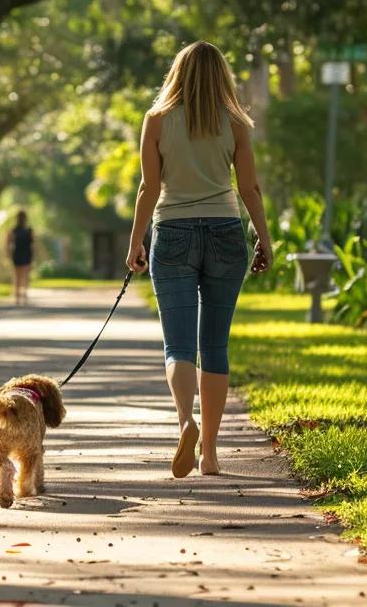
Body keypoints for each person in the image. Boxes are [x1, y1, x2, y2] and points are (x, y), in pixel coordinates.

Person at [125, 40, 272, 478]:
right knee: (215, 346)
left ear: (178, 74)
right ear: (222, 76)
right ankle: (208, 454)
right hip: (226, 233)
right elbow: (250, 190)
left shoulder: (157, 120)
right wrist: (264, 238)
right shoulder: (235, 123)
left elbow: (148, 189)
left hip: (172, 233)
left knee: (179, 345)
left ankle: (184, 422)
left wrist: (136, 242)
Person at [6, 210, 35, 305]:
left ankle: (19, 295)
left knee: (19, 276)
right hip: (24, 254)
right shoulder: (26, 230)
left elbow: (8, 243)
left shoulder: (16, 230)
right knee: (23, 276)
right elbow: (33, 244)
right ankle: (21, 295)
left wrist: (9, 254)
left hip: (20, 254)